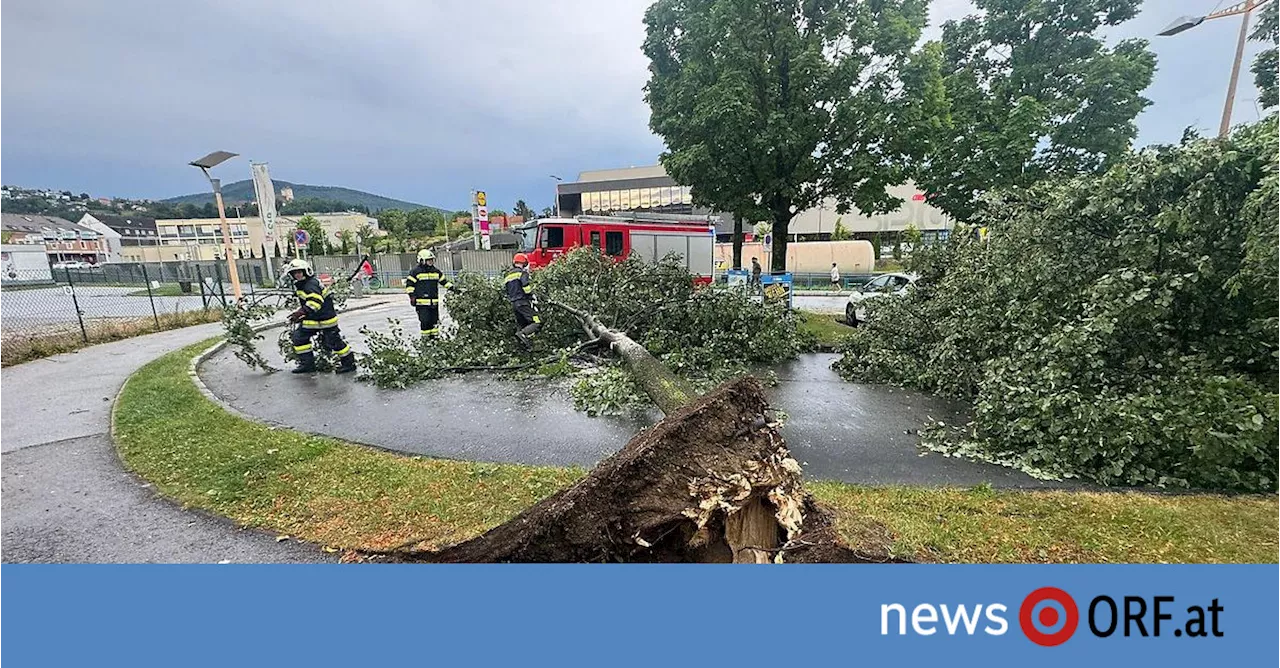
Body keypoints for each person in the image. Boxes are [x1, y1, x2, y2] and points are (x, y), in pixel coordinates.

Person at [285, 259, 356, 375]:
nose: (297, 274)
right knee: (299, 337)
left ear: (305, 271)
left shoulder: (310, 284)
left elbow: (315, 302)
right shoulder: (303, 284)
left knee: (334, 341)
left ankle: (349, 364)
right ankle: (307, 364)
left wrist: (301, 312)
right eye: (294, 273)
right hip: (313, 319)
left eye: (299, 272)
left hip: (325, 319)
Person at [405, 249, 450, 337]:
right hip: (422, 304)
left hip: (434, 304)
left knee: (435, 323)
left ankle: (435, 341)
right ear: (421, 260)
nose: (431, 262)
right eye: (428, 260)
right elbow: (409, 285)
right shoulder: (415, 272)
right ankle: (426, 342)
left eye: (432, 260)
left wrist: (454, 288)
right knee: (425, 322)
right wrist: (412, 297)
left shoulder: (436, 271)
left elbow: (444, 282)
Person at [504, 253, 542, 347]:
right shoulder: (522, 273)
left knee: (523, 324)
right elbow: (526, 287)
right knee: (536, 321)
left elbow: (507, 292)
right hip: (523, 302)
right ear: (524, 263)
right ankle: (523, 335)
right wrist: (532, 295)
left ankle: (521, 345)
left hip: (514, 305)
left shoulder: (508, 276)